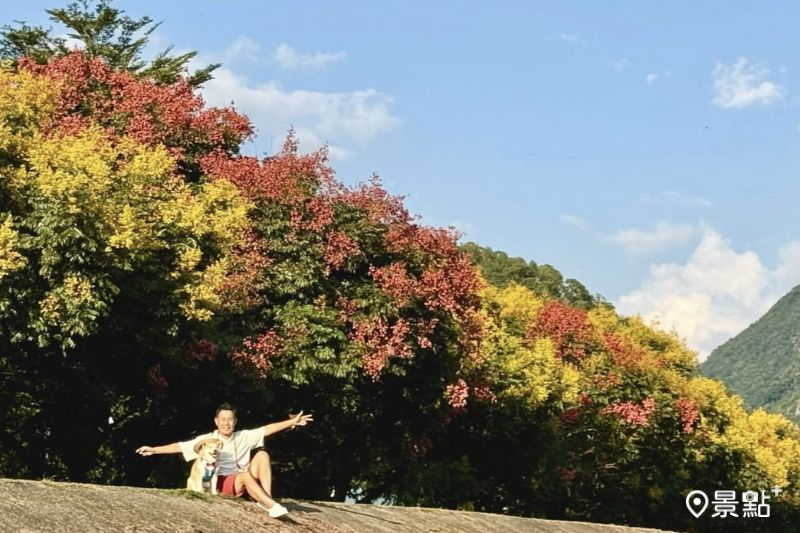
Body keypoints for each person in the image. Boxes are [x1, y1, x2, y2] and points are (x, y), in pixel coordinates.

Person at [136, 402, 313, 518]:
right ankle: (270, 504)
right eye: (222, 420)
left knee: (262, 455)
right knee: (244, 475)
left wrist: (291, 422)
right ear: (216, 421)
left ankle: (266, 500)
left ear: (235, 422)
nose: (226, 423)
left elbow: (267, 430)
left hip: (245, 479)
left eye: (230, 420)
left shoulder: (244, 436)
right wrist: (154, 449)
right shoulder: (208, 440)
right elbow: (181, 446)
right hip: (223, 482)